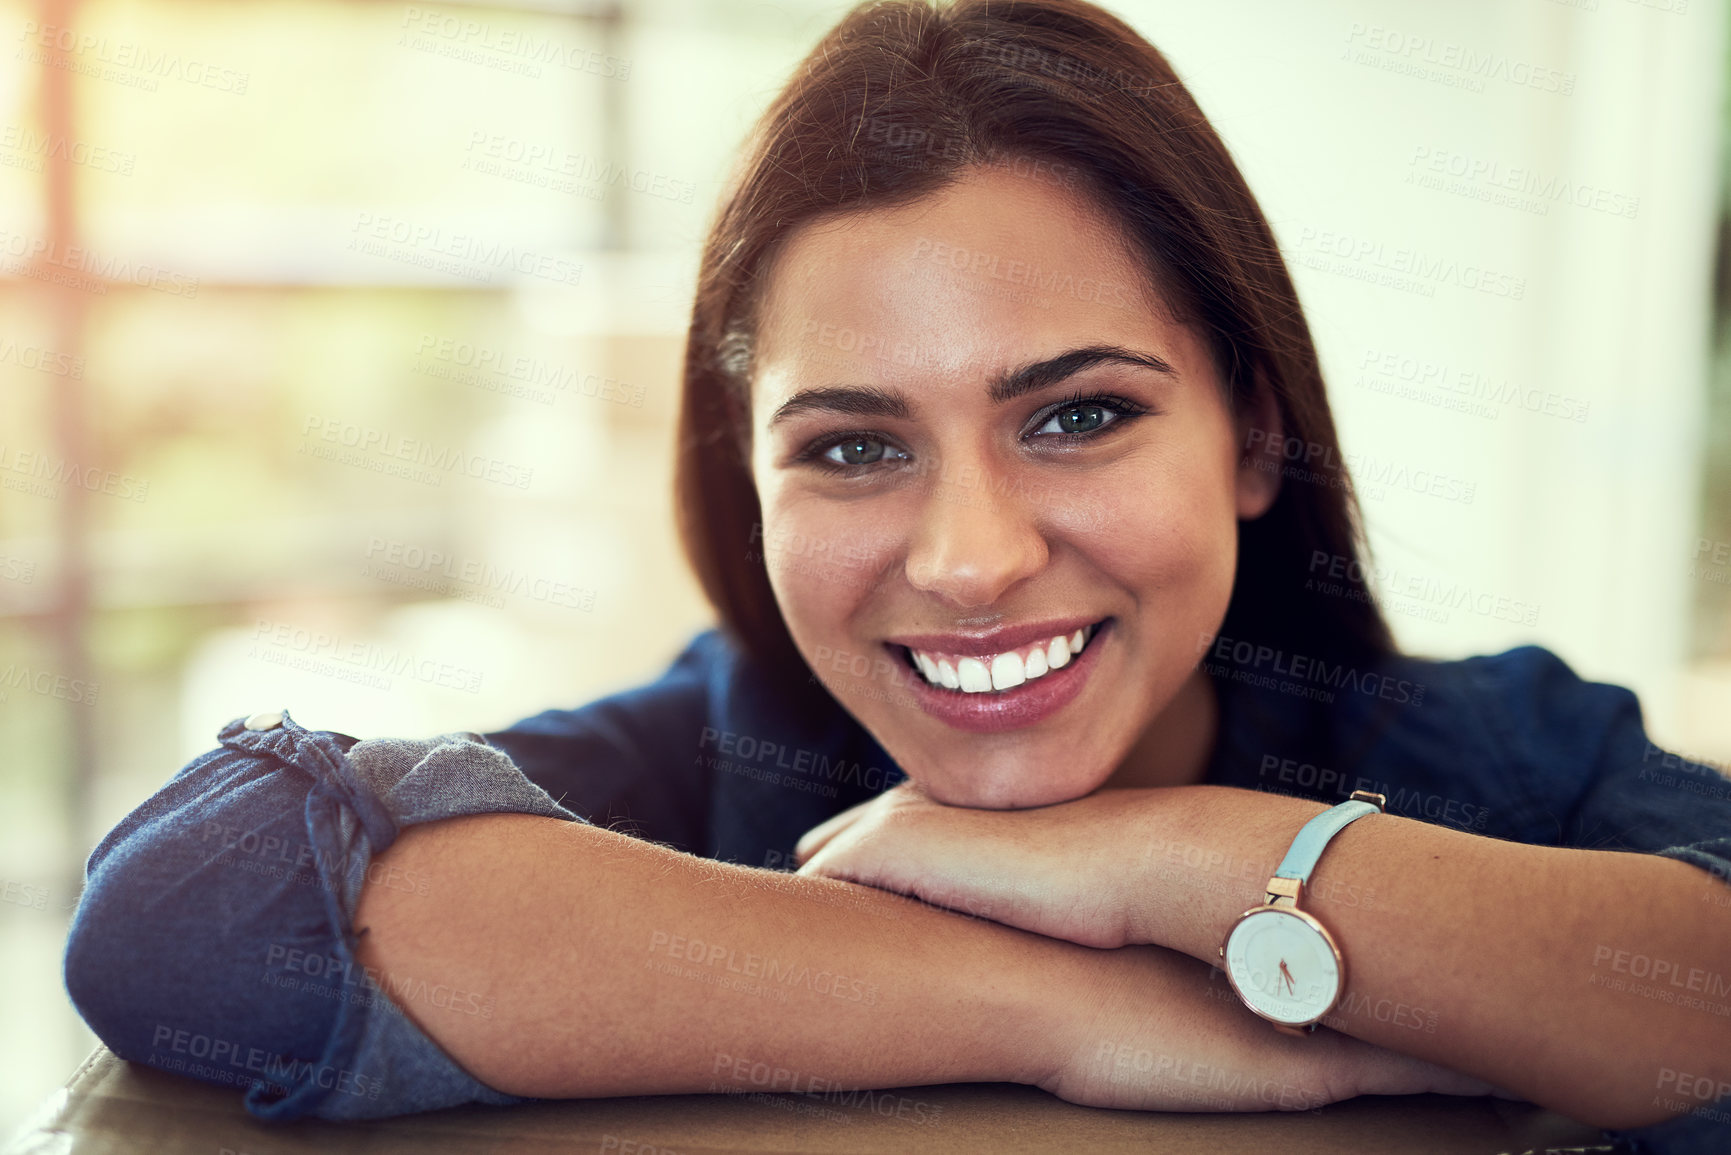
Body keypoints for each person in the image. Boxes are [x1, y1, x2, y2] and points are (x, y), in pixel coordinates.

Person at [62, 1, 1729, 1151]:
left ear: (1251, 434)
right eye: (856, 446)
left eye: (1078, 416)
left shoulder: (1497, 756)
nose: (974, 559)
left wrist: (1184, 862)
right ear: (756, 480)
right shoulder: (710, 759)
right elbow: (186, 920)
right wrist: (1062, 1011)